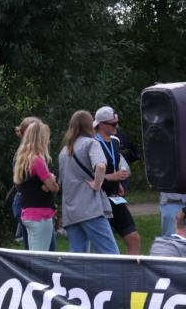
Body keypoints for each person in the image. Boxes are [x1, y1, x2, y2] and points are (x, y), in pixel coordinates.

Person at [58, 110, 119, 254]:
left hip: (71, 211)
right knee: (111, 254)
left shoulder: (64, 151)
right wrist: (97, 185)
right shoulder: (91, 143)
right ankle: (114, 277)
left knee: (78, 258)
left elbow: (62, 182)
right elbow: (100, 166)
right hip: (90, 208)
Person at [94, 106, 141, 255]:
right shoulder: (93, 143)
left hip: (115, 197)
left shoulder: (115, 141)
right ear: (101, 124)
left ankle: (131, 275)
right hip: (99, 199)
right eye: (113, 124)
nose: (117, 126)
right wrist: (110, 177)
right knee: (107, 247)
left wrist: (118, 181)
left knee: (134, 238)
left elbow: (114, 164)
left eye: (117, 122)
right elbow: (87, 175)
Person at [12, 119, 60, 251]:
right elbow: (54, 187)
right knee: (41, 259)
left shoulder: (23, 159)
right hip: (41, 215)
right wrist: (51, 179)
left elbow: (28, 185)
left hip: (28, 213)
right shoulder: (38, 160)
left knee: (34, 257)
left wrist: (45, 185)